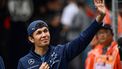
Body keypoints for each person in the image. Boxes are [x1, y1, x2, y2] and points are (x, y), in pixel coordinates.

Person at [17, 0, 106, 69]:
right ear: (31, 39)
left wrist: (100, 18)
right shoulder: (24, 62)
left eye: (45, 31)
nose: (44, 35)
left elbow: (82, 39)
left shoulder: (60, 52)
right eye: (39, 33)